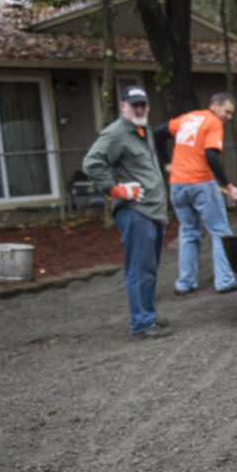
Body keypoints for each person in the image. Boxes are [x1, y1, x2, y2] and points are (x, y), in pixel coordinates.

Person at [82, 86, 172, 339]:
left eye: (143, 104)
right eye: (135, 105)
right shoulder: (117, 133)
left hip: (152, 211)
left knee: (150, 268)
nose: (140, 108)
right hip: (136, 212)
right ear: (123, 106)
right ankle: (141, 324)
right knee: (139, 268)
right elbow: (91, 163)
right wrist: (115, 190)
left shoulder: (143, 131)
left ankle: (148, 315)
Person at [154, 92, 237, 295]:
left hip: (177, 184)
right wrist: (228, 186)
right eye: (227, 112)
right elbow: (211, 156)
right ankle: (224, 281)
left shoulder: (187, 118)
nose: (228, 117)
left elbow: (158, 134)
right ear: (215, 105)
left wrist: (166, 162)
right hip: (200, 183)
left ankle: (184, 283)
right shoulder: (213, 122)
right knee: (220, 231)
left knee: (188, 232)